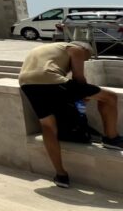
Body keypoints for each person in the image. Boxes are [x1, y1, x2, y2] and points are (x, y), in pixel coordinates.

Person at [18, 40, 123, 188]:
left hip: (27, 84)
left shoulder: (46, 48)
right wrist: (84, 94)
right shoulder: (76, 48)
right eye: (87, 58)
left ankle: (61, 175)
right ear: (85, 49)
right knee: (110, 97)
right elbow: (79, 79)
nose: (85, 60)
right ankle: (111, 138)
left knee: (48, 126)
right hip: (51, 79)